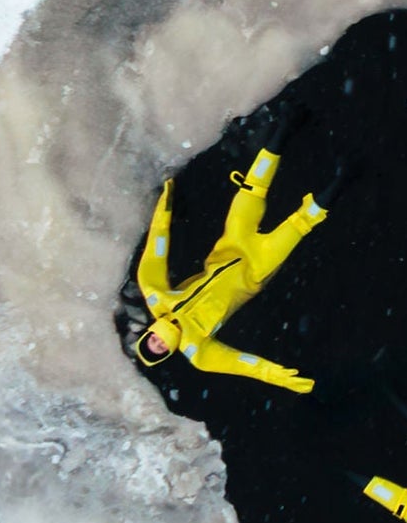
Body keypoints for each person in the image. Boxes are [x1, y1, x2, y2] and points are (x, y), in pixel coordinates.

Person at [133, 137, 339, 391]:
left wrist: (165, 204)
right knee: (303, 221)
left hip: (231, 245)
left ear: (150, 332)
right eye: (161, 349)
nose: (161, 342)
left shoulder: (156, 295)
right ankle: (342, 177)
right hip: (256, 268)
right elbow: (244, 365)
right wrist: (278, 376)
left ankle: (287, 126)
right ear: (168, 352)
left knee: (251, 189)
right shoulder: (198, 352)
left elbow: (158, 244)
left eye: (154, 341)